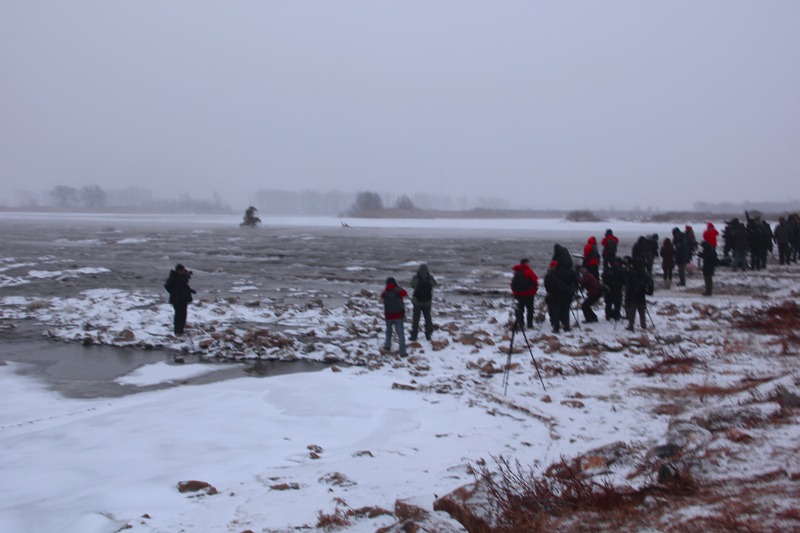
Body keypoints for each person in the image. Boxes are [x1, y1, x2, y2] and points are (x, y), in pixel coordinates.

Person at [544, 258, 578, 334]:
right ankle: (566, 327)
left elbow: (548, 283)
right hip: (567, 294)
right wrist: (573, 290)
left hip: (556, 295)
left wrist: (550, 292)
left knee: (556, 311)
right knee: (566, 310)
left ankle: (556, 328)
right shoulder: (570, 272)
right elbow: (576, 283)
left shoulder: (553, 273)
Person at [164, 264, 196, 336]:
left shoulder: (175, 277)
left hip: (181, 299)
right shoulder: (176, 277)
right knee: (180, 315)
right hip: (179, 299)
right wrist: (174, 293)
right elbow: (182, 282)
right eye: (182, 270)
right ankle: (178, 331)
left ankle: (179, 330)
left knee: (181, 314)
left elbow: (183, 285)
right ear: (179, 270)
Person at [624, 257, 653, 332]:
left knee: (632, 311)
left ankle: (631, 326)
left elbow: (628, 283)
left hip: (632, 294)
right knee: (642, 311)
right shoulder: (643, 272)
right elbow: (650, 282)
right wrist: (649, 291)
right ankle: (643, 325)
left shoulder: (631, 272)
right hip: (641, 294)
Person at [381, 277, 408, 356]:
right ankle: (402, 352)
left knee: (388, 331)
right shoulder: (398, 290)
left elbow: (382, 297)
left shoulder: (385, 291)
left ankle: (387, 345)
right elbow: (405, 293)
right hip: (398, 315)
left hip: (388, 315)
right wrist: (398, 287)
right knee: (400, 333)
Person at [410, 264, 437, 341]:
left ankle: (414, 336)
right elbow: (434, 284)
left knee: (415, 319)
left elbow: (412, 285)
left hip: (417, 302)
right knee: (428, 319)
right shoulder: (430, 277)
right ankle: (428, 335)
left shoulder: (416, 277)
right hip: (427, 302)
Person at [511, 258, 538, 329]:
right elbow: (535, 280)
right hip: (529, 293)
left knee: (520, 309)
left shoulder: (517, 272)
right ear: (525, 263)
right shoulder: (529, 271)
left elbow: (513, 283)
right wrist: (534, 289)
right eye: (527, 262)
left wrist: (515, 293)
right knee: (530, 309)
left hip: (519, 294)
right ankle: (530, 324)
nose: (529, 264)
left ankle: (521, 323)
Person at [602, 256, 626, 322]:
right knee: (617, 303)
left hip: (608, 289)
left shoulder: (608, 270)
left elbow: (603, 277)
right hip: (617, 289)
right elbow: (624, 280)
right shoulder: (621, 270)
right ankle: (616, 316)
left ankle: (608, 316)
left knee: (608, 303)